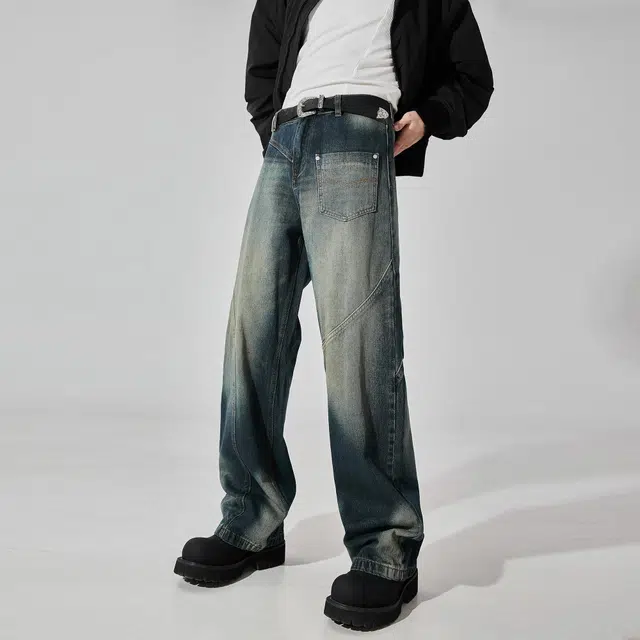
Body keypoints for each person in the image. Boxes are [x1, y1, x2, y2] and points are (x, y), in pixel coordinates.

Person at [174, 0, 494, 631]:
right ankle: (251, 521)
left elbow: (472, 77)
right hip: (285, 141)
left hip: (358, 133)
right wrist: (275, 131)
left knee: (358, 342)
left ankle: (384, 550)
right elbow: (262, 69)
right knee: (252, 332)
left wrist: (427, 119)